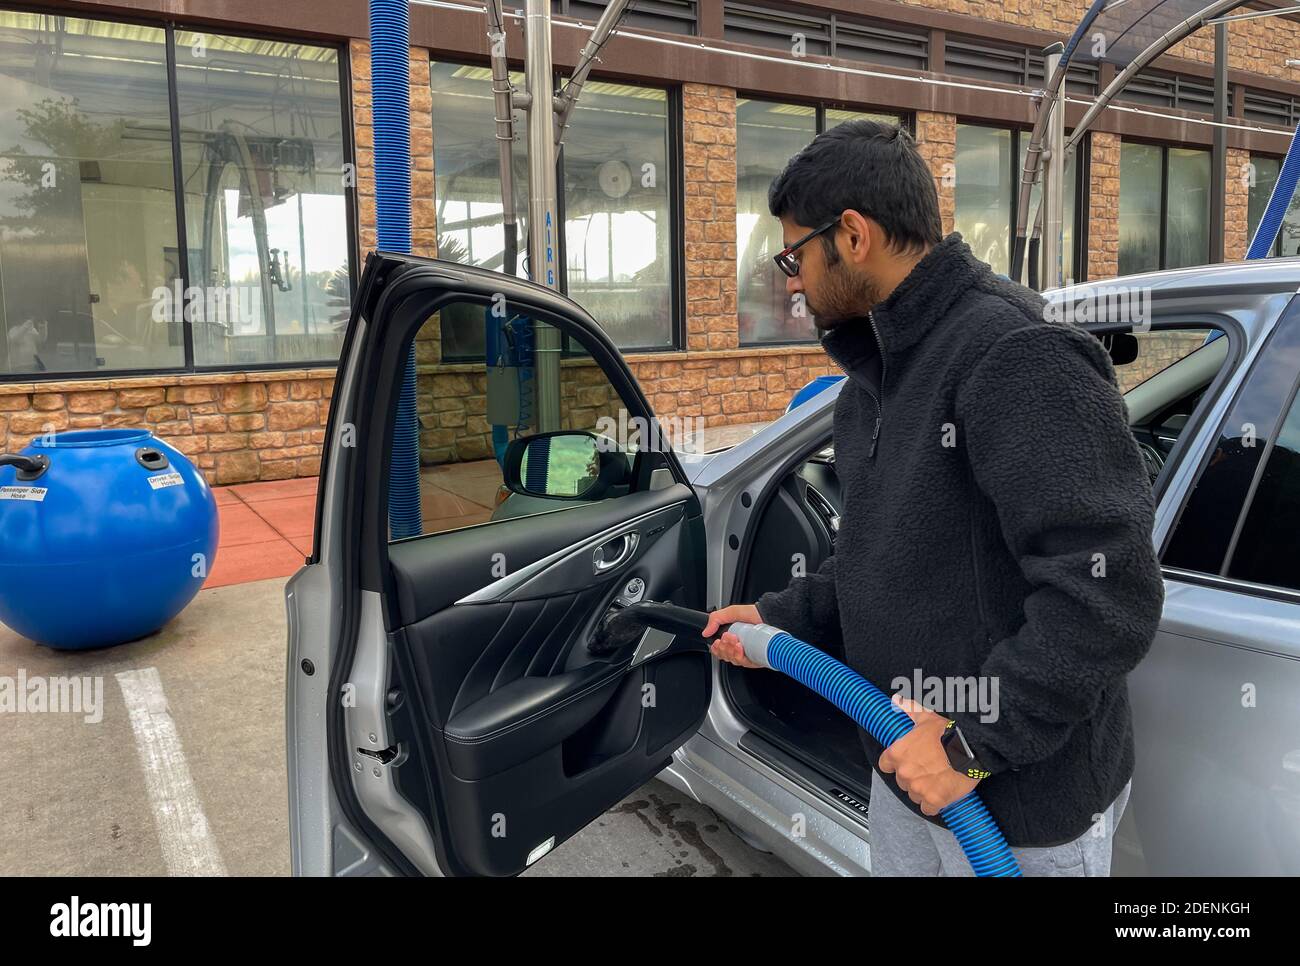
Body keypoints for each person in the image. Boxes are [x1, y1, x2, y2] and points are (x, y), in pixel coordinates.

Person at [702, 120, 1164, 877]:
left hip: (1014, 806)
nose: (790, 279)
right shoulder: (872, 381)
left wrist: (971, 742)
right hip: (906, 762)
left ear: (852, 236)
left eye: (795, 254)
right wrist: (779, 618)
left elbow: (1108, 594)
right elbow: (888, 560)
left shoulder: (1014, 352)